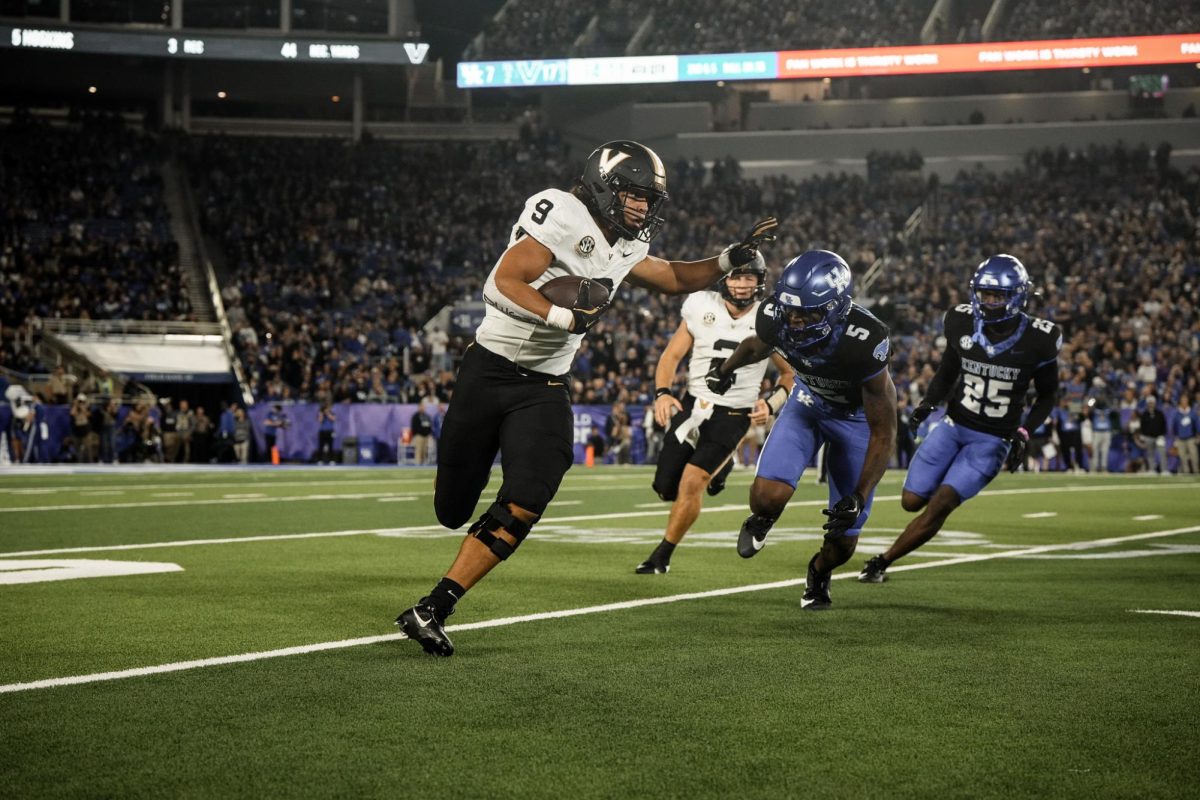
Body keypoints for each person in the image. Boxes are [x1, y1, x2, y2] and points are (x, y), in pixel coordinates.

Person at [395, 139, 778, 656]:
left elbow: (670, 276)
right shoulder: (564, 211)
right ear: (603, 186)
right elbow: (503, 280)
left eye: (649, 199)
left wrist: (728, 259)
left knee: (530, 495)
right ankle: (452, 539)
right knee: (452, 509)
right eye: (634, 195)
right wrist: (562, 316)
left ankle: (434, 607)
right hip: (487, 371)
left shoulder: (624, 243)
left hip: (545, 383)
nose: (642, 207)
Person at [707, 249, 896, 610]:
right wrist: (725, 369)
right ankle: (763, 519)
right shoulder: (776, 318)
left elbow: (884, 431)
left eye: (806, 313)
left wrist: (859, 495)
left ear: (836, 308)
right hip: (809, 404)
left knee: (843, 540)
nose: (794, 321)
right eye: (790, 310)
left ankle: (818, 571)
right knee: (765, 498)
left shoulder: (864, 340)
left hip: (855, 421)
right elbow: (755, 347)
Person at [859, 255, 1061, 584]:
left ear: (1019, 296)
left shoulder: (1040, 338)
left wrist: (1024, 432)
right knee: (911, 501)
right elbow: (948, 369)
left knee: (940, 504)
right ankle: (948, 477)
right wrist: (928, 403)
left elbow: (1049, 394)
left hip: (992, 441)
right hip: (953, 427)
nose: (990, 301)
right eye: (985, 293)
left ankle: (882, 561)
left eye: (998, 295)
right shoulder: (960, 321)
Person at [635, 260, 793, 574]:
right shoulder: (699, 304)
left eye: (750, 277)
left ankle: (662, 556)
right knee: (666, 487)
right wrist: (663, 392)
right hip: (693, 405)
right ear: (724, 279)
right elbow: (672, 355)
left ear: (760, 281)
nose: (744, 284)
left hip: (734, 413)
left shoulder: (767, 318)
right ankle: (726, 464)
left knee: (692, 483)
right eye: (737, 276)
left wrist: (772, 403)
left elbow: (788, 373)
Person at [1139, 395, 1168, 473]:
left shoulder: (1159, 413)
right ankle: (1152, 469)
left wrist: (1162, 435)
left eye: (1152, 402)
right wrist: (1143, 435)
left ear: (1155, 403)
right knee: (1150, 454)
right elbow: (1142, 425)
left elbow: (1164, 424)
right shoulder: (1144, 414)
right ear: (1147, 404)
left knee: (1162, 454)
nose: (1151, 404)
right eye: (1149, 403)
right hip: (1148, 437)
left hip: (1159, 437)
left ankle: (1164, 470)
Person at [1173, 396, 1198, 474]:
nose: (1184, 402)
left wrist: (1197, 435)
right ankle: (1186, 472)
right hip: (1180, 438)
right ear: (1180, 402)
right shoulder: (1177, 413)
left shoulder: (1192, 413)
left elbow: (1197, 424)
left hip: (1191, 437)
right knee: (1182, 456)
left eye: (1185, 400)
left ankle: (1196, 471)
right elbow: (1175, 426)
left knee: (1194, 455)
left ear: (1188, 401)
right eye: (1182, 400)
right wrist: (1176, 436)